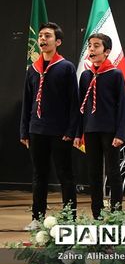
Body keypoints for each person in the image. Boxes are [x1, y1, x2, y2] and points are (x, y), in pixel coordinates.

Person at [20, 22, 79, 229]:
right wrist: (24, 130)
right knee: (39, 175)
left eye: (48, 36)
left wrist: (71, 130)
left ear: (58, 42)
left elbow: (74, 102)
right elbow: (27, 101)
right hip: (36, 130)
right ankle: (37, 217)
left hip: (60, 132)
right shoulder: (33, 69)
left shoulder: (66, 67)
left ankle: (69, 218)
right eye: (41, 36)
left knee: (65, 175)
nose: (43, 39)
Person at [74, 33, 125, 219]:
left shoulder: (115, 74)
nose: (91, 49)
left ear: (106, 51)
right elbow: (81, 106)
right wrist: (78, 133)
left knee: (113, 172)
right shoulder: (86, 75)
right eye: (90, 45)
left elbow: (123, 106)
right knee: (94, 172)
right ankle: (96, 213)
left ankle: (116, 212)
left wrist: (120, 133)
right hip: (90, 130)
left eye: (96, 46)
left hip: (110, 130)